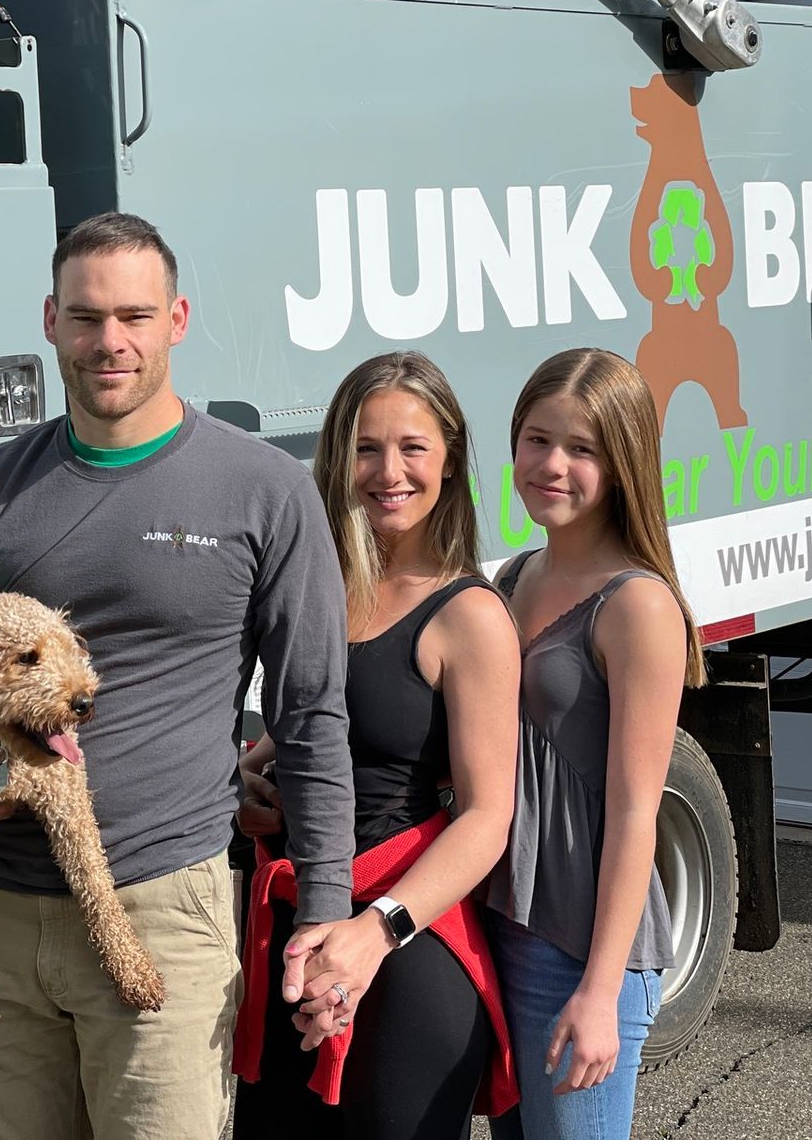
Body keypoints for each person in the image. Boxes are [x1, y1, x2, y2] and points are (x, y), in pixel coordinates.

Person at [0, 211, 354, 1140]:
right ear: (51, 323)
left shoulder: (263, 490)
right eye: (87, 316)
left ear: (177, 320)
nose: (112, 341)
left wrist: (330, 906)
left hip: (163, 908)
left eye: (136, 316)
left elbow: (312, 714)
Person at [233, 350, 521, 1138]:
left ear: (452, 458)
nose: (387, 471)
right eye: (365, 448)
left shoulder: (470, 616)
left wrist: (376, 932)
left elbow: (487, 817)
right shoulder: (323, 585)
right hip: (296, 941)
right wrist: (249, 783)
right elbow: (314, 730)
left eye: (412, 447)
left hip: (404, 954)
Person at [484, 348, 701, 1140]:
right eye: (537, 439)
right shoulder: (514, 577)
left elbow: (639, 811)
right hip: (501, 925)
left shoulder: (638, 605)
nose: (552, 465)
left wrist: (601, 992)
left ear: (625, 464)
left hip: (577, 953)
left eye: (582, 450)